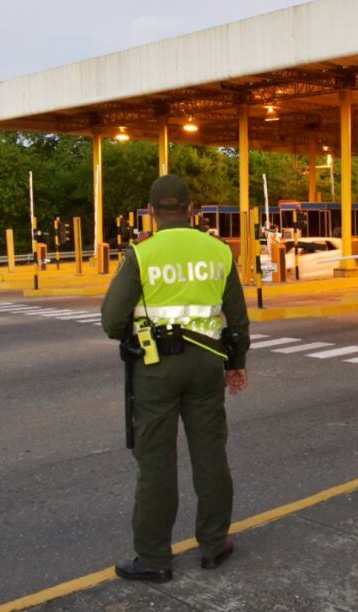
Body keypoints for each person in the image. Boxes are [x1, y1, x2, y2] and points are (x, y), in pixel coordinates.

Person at [101, 175, 250, 582]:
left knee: (156, 463)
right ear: (190, 209)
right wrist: (236, 362)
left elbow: (112, 320)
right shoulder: (218, 250)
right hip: (206, 365)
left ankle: (154, 558)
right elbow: (237, 317)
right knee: (210, 456)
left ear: (151, 212)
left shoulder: (141, 253)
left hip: (155, 369)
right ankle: (215, 545)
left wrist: (131, 332)